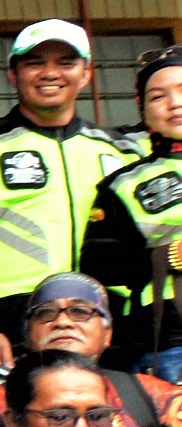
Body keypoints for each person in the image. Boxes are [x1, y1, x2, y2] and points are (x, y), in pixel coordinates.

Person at [0, 19, 139, 335]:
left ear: (86, 74)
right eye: (35, 63)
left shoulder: (122, 151)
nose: (50, 73)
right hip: (11, 321)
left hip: (112, 318)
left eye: (66, 63)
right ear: (12, 74)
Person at [0, 272, 182, 427]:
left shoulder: (149, 393)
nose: (63, 322)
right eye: (46, 313)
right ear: (28, 335)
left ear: (107, 334)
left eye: (80, 311)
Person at [82, 47, 182, 368]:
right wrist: (168, 256)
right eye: (158, 96)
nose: (175, 103)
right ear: (143, 110)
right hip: (171, 338)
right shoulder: (124, 185)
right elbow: (98, 264)